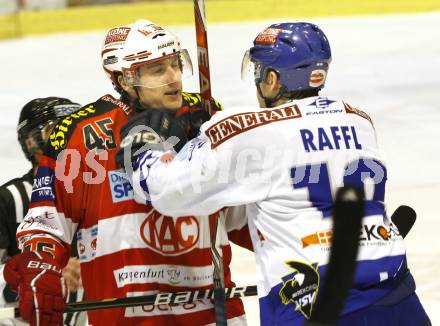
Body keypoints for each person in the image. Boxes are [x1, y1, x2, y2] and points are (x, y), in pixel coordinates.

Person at [121, 22, 431, 325]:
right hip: (398, 295)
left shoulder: (250, 131)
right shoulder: (359, 120)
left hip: (314, 305)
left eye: (258, 72)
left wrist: (147, 144)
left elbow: (166, 193)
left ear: (272, 79)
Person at [4, 20, 250, 326]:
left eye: (175, 63)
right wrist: (39, 265)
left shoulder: (204, 115)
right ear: (124, 79)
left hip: (210, 314)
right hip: (123, 316)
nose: (174, 78)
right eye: (158, 69)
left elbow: (242, 214)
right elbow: (47, 223)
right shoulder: (79, 134)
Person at [0, 97, 85, 326]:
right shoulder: (8, 199)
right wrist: (38, 271)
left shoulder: (102, 194)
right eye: (55, 131)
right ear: (30, 141)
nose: (67, 140)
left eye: (74, 130)